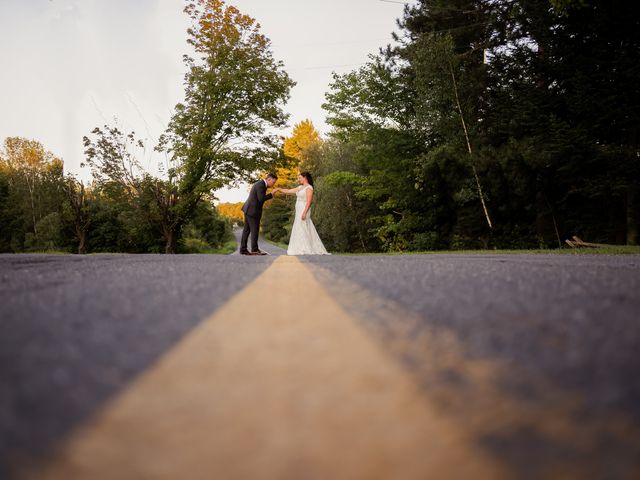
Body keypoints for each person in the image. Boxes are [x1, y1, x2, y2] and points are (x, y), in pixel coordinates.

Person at [274, 172, 329, 255]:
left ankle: (306, 248)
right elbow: (288, 191)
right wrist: (279, 189)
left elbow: (309, 201)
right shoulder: (300, 187)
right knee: (300, 227)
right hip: (299, 209)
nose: (298, 179)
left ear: (305, 177)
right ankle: (300, 247)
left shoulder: (309, 188)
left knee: (303, 227)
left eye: (300, 178)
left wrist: (304, 212)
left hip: (304, 209)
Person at [240, 173, 278, 256]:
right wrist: (271, 194)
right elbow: (261, 199)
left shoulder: (260, 184)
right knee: (254, 230)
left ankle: (243, 250)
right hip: (252, 211)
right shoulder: (261, 185)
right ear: (269, 179)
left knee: (246, 230)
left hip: (249, 210)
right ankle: (254, 250)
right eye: (273, 182)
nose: (273, 184)